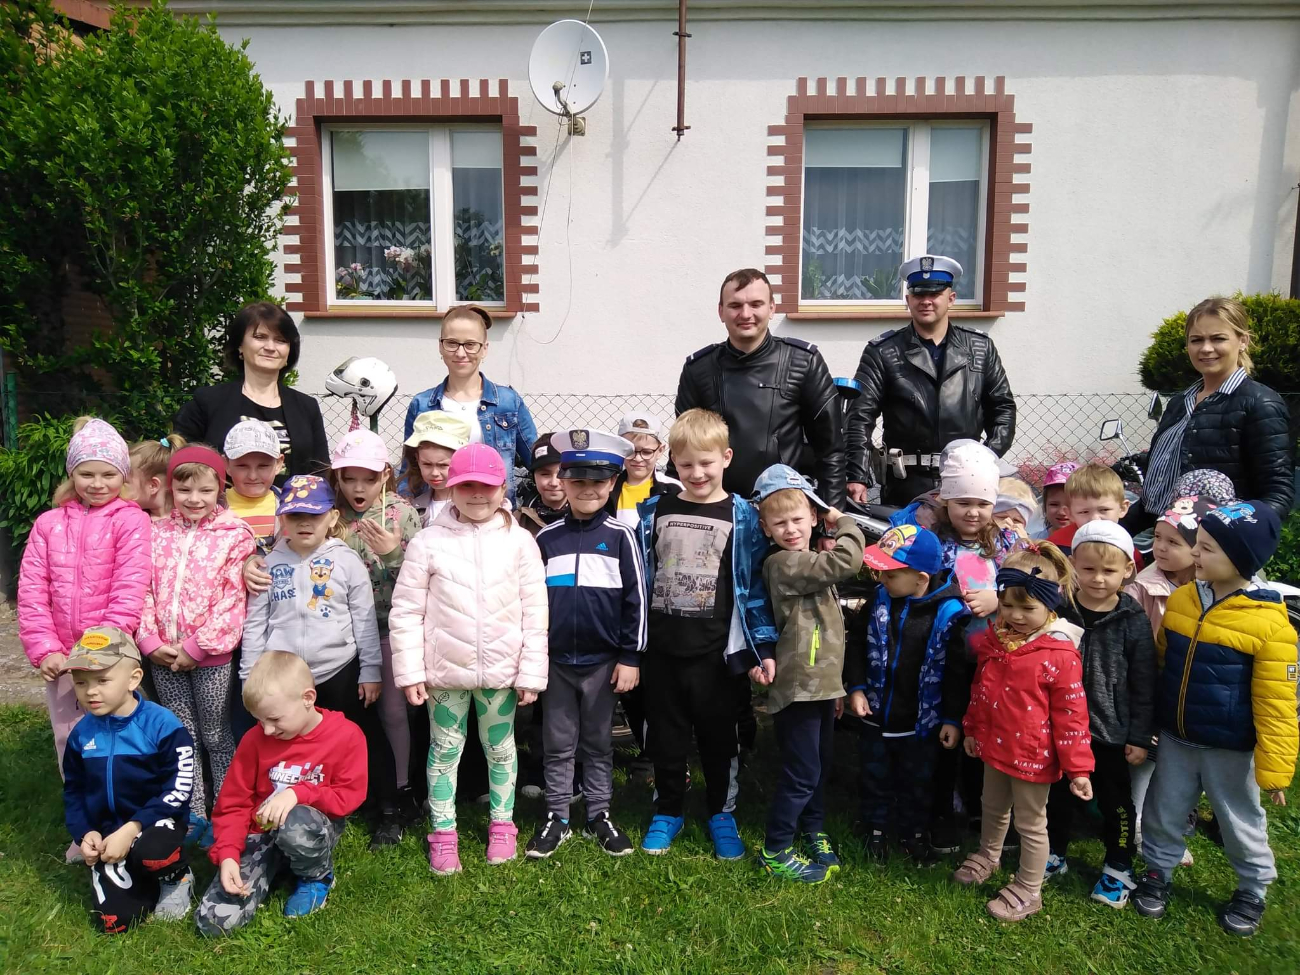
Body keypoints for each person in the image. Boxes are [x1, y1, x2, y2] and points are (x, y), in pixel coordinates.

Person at [1134, 501, 1299, 936]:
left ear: (1241, 559)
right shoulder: (1183, 600)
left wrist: (1275, 770)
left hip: (1230, 749)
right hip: (1176, 739)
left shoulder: (1271, 626)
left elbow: (1278, 703)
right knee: (1163, 809)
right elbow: (1163, 663)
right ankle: (1158, 871)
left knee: (1240, 820)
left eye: (1206, 548)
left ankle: (1252, 888)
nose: (1195, 553)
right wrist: (1149, 720)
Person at [389, 444, 548, 873]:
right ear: (451, 488)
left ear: (503, 488)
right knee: (443, 751)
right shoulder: (428, 542)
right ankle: (443, 834)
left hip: (501, 675)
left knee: (501, 749)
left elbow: (536, 612)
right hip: (444, 675)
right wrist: (410, 672)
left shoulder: (520, 542)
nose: (477, 495)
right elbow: (406, 610)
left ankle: (502, 826)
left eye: (487, 486)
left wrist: (531, 672)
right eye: (467, 486)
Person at [635, 409, 778, 859]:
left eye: (706, 463)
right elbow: (639, 578)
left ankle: (722, 812)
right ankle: (668, 810)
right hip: (663, 651)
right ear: (672, 463)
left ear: (726, 458)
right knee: (666, 738)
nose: (696, 473)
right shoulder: (653, 512)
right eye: (686, 464)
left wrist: (762, 646)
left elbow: (754, 589)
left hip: (718, 655)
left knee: (720, 739)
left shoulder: (745, 516)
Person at [239, 474, 400, 846]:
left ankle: (388, 810)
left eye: (314, 515)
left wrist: (370, 669)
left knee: (364, 737)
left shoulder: (347, 561)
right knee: (291, 743)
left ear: (332, 517)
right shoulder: (267, 564)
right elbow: (256, 623)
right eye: (295, 515)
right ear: (281, 518)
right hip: (285, 678)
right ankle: (303, 807)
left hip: (339, 669)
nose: (304, 523)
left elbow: (364, 619)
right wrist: (250, 676)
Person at [18, 417, 152, 845]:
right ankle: (86, 829)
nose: (97, 483)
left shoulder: (131, 521)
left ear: (123, 475)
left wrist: (101, 650)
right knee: (70, 740)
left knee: (120, 736)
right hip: (60, 659)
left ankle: (128, 825)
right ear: (71, 474)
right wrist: (46, 650)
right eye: (86, 473)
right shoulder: (47, 524)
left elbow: (130, 586)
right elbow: (32, 592)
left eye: (108, 474)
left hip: (109, 657)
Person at [952, 543, 1094, 923]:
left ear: (1050, 604)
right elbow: (981, 689)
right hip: (994, 746)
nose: (1015, 616)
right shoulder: (996, 640)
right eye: (1008, 605)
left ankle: (1030, 888)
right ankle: (989, 855)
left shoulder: (1060, 654)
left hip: (1033, 756)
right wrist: (972, 729)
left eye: (1027, 608)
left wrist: (1078, 768)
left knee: (1030, 823)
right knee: (992, 806)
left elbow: (1072, 715)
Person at [525, 429, 643, 860]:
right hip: (556, 663)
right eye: (577, 480)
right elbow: (530, 603)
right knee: (557, 744)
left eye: (598, 481)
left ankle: (599, 814)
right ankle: (557, 815)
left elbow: (637, 601)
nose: (587, 489)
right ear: (563, 481)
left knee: (597, 742)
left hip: (603, 663)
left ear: (612, 483)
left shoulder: (621, 536)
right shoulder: (546, 539)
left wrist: (630, 657)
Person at [196, 652, 368, 934]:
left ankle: (316, 876)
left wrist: (298, 794)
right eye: (259, 720)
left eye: (274, 719)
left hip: (308, 827)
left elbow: (348, 797)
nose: (267, 730)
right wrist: (227, 855)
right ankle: (272, 865)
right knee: (214, 923)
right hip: (258, 833)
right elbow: (233, 804)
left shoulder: (346, 735)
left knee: (295, 824)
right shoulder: (254, 739)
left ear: (308, 698)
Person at [137, 445, 256, 846]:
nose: (194, 499)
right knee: (182, 737)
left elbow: (232, 599)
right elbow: (144, 591)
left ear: (219, 488)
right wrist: (150, 641)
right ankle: (192, 813)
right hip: (164, 656)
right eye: (184, 490)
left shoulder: (234, 535)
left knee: (217, 736)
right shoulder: (156, 533)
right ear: (170, 488)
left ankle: (226, 812)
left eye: (205, 490)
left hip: (211, 658)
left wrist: (197, 647)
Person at [752, 465, 865, 884]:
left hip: (820, 686)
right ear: (765, 528)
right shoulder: (784, 563)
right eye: (779, 522)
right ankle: (775, 850)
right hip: (799, 687)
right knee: (801, 773)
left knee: (817, 766)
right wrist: (843, 520)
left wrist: (835, 688)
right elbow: (848, 560)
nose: (790, 529)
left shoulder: (807, 560)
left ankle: (813, 830)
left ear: (812, 517)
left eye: (798, 519)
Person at [1044, 521, 1155, 908]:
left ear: (1128, 570)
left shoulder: (1133, 620)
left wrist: (1139, 736)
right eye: (1088, 568)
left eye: (1109, 570)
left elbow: (1144, 683)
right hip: (1059, 726)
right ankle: (1053, 851)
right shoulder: (1059, 609)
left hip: (1110, 731)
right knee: (1055, 795)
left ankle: (1119, 864)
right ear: (1073, 565)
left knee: (1115, 801)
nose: (1098, 578)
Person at [846, 256, 1016, 506]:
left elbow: (1002, 409)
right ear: (908, 300)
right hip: (905, 485)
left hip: (967, 482)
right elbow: (859, 416)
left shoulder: (980, 348)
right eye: (918, 294)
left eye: (935, 294)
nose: (926, 301)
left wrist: (985, 458)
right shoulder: (883, 351)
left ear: (951, 298)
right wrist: (857, 474)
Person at [845, 525, 968, 864]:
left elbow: (956, 674)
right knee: (874, 774)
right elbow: (856, 645)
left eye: (890, 574)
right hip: (875, 714)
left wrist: (952, 718)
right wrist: (856, 687)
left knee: (918, 780)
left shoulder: (949, 614)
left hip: (920, 722)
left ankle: (913, 832)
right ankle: (875, 828)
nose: (881, 579)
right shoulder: (878, 601)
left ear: (920, 579)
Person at [62, 627, 197, 932]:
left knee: (153, 852)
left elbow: (180, 788)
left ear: (133, 679)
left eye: (102, 681)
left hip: (155, 822)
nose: (90, 692)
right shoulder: (81, 735)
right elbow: (74, 790)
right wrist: (85, 833)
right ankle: (136, 875)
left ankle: (176, 877)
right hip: (108, 832)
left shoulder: (163, 726)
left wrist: (133, 827)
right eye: (81, 683)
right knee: (115, 923)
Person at [673, 268, 845, 508]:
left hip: (783, 513)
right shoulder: (699, 369)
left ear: (772, 308)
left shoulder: (804, 362)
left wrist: (831, 515)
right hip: (717, 511)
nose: (746, 314)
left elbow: (831, 451)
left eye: (756, 304)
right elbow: (682, 448)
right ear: (721, 311)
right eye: (735, 305)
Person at [330, 428, 424, 844]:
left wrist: (393, 553)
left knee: (393, 711)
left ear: (385, 475)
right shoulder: (329, 515)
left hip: (388, 626)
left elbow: (422, 580)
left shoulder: (402, 514)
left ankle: (401, 788)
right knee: (349, 714)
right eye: (348, 478)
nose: (358, 488)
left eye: (368, 479)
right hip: (340, 631)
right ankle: (354, 789)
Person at [1137, 297, 1294, 529]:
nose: (1206, 348)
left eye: (1218, 338)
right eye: (1196, 340)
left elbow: (1277, 495)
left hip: (1215, 544)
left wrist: (1226, 533)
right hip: (1165, 538)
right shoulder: (1179, 403)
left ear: (1243, 341)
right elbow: (1155, 497)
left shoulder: (1260, 403)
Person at [174, 302, 329, 480]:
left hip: (293, 499)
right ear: (240, 345)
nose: (270, 347)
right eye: (260, 337)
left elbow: (320, 471)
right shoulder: (208, 401)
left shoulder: (306, 407)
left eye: (280, 340)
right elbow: (181, 466)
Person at [403, 304, 537, 503]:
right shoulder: (421, 405)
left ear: (484, 349)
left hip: (494, 512)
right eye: (452, 343)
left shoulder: (508, 402)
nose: (460, 353)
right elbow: (409, 471)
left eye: (470, 344)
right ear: (440, 346)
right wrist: (401, 508)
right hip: (436, 515)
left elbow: (537, 462)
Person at [1047, 463, 1145, 571]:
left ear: (1122, 508)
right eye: (1084, 512)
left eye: (1104, 510)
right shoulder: (1055, 546)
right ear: (1070, 513)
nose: (1094, 519)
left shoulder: (1128, 549)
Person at [606, 412, 681, 528]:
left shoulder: (673, 489)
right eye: (630, 451)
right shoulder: (607, 488)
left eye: (646, 452)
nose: (638, 458)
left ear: (660, 451)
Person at [400, 410, 473, 526]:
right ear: (417, 459)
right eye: (427, 464)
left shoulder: (475, 505)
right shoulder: (413, 508)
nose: (434, 473)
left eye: (443, 465)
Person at [223, 419, 284, 557]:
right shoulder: (214, 507)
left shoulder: (289, 504)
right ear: (226, 464)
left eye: (263, 466)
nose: (252, 476)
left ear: (279, 464)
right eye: (242, 466)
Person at [515, 433, 570, 535]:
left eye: (562, 473)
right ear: (533, 477)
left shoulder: (586, 515)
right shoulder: (518, 521)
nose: (554, 483)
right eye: (545, 474)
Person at [128, 436, 188, 519]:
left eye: (126, 482)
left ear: (153, 485)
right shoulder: (126, 516)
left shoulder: (190, 519)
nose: (119, 487)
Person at [1036, 462, 1080, 539]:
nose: (1061, 512)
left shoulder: (1094, 543)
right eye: (1054, 504)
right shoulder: (1033, 541)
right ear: (1045, 506)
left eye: (1070, 505)